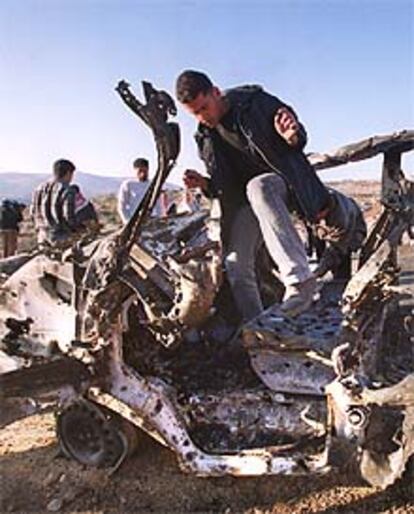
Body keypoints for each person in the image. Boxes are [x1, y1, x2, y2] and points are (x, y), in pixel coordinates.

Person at [176, 70, 366, 321]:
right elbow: (226, 186)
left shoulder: (255, 103)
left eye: (204, 108)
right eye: (195, 114)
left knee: (260, 186)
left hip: (285, 184)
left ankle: (300, 282)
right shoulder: (205, 136)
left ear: (216, 92)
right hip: (249, 201)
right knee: (235, 264)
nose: (203, 117)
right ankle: (259, 328)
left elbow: (296, 135)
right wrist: (205, 184)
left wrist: (292, 136)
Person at [31, 159, 99, 247]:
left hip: (42, 237)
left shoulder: (39, 189)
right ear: (68, 173)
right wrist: (79, 229)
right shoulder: (68, 190)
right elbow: (68, 216)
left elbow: (32, 213)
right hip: (61, 238)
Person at [117, 157, 168, 223]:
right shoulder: (128, 184)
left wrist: (160, 218)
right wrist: (127, 221)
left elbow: (158, 204)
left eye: (145, 171)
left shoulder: (153, 184)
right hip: (135, 220)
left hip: (152, 219)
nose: (143, 174)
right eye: (140, 171)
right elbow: (122, 206)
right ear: (135, 170)